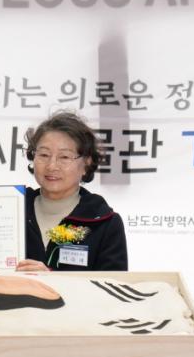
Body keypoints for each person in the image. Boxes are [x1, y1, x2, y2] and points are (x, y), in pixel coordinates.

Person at [16, 111, 127, 272]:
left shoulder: (104, 223)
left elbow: (111, 285)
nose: (52, 166)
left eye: (65, 157)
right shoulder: (13, 209)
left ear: (86, 163)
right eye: (44, 155)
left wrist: (51, 279)